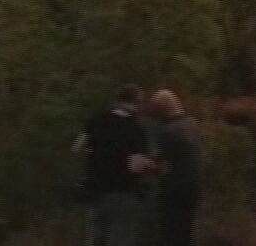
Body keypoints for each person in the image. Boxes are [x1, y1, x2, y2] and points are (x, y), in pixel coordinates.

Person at [73, 85, 157, 246]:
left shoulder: (95, 120)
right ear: (137, 103)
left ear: (117, 100)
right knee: (120, 237)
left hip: (95, 190)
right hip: (123, 191)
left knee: (95, 237)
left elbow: (77, 147)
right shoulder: (136, 128)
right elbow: (136, 166)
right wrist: (153, 167)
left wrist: (95, 154)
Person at [148, 89, 202, 246]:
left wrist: (146, 165)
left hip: (173, 189)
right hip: (193, 185)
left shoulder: (167, 131)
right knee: (186, 231)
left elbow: (161, 164)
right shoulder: (192, 124)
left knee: (170, 233)